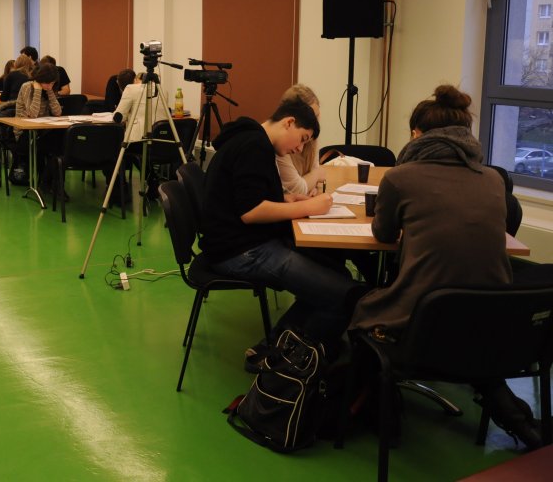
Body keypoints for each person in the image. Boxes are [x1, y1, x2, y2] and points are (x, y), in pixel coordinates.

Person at [349, 85, 541, 449]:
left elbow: (383, 233)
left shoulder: (401, 177)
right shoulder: (493, 179)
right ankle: (518, 418)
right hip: (490, 323)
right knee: (458, 311)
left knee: (360, 305)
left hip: (424, 320)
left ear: (416, 135)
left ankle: (379, 408)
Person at [194, 97, 364, 355]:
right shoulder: (254, 146)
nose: (300, 148)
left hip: (238, 243)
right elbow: (251, 212)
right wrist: (309, 207)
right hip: (239, 252)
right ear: (289, 122)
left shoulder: (251, 139)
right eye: (303, 139)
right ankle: (286, 359)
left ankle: (273, 348)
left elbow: (243, 196)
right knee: (345, 295)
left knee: (337, 276)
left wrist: (286, 199)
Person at [14, 63, 63, 180]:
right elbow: (32, 115)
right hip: (24, 132)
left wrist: (50, 92)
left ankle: (50, 181)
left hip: (42, 130)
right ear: (40, 79)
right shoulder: (27, 87)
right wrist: (37, 91)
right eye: (47, 83)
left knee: (60, 141)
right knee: (44, 146)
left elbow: (58, 112)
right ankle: (45, 181)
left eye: (52, 83)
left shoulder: (49, 89)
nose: (50, 86)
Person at [276, 84, 326, 196]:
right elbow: (296, 189)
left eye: (317, 116)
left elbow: (313, 175)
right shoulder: (282, 144)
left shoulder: (310, 139)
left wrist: (312, 184)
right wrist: (317, 175)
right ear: (291, 121)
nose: (315, 125)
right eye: (311, 118)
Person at [113, 72, 169, 143]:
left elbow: (118, 117)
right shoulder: (163, 90)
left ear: (135, 79)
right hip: (162, 137)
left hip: (138, 140)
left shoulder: (130, 88)